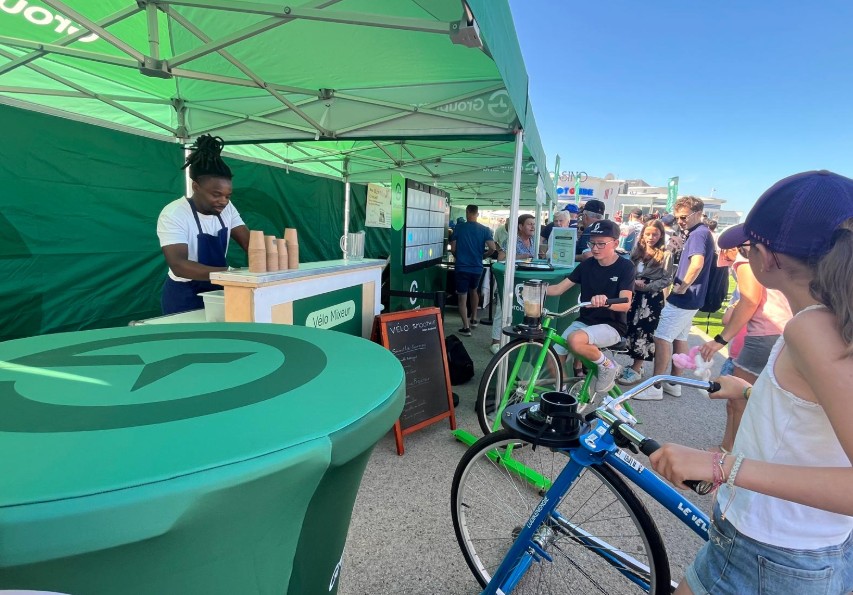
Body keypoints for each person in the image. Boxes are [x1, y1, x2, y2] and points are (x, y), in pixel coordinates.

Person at [649, 170, 853, 595]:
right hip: (789, 545)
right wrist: (752, 391)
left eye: (748, 246)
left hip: (770, 552)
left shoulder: (812, 329)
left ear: (768, 257)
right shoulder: (829, 317)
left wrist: (722, 466)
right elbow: (816, 415)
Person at [697, 233, 792, 452]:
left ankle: (733, 455)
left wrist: (720, 340)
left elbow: (750, 301)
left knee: (738, 400)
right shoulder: (772, 261)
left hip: (763, 335)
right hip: (778, 333)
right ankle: (728, 448)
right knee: (743, 400)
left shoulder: (746, 260)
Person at [157, 135, 250, 314]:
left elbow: (249, 243)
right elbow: (179, 265)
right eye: (216, 194)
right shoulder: (174, 214)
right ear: (195, 187)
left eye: (227, 195)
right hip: (184, 295)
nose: (223, 201)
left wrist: (273, 253)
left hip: (217, 289)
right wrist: (229, 273)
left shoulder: (227, 208)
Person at [638, 197, 715, 400]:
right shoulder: (700, 233)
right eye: (678, 217)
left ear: (698, 213)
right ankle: (674, 382)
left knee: (662, 337)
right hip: (693, 298)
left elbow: (697, 263)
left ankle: (654, 387)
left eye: (683, 217)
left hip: (685, 297)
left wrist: (683, 286)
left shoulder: (698, 234)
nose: (679, 221)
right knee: (680, 337)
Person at [546, 219, 634, 393]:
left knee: (575, 340)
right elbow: (558, 289)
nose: (595, 248)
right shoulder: (586, 265)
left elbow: (625, 304)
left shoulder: (625, 267)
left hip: (612, 326)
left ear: (615, 243)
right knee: (553, 357)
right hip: (585, 321)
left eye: (601, 244)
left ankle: (609, 366)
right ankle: (563, 394)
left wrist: (607, 302)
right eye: (592, 243)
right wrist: (535, 288)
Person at [617, 220, 673, 385]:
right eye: (648, 233)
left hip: (651, 300)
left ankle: (636, 367)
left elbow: (667, 279)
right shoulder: (636, 251)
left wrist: (647, 286)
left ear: (661, 235)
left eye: (655, 234)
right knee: (632, 329)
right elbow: (629, 271)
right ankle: (636, 365)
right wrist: (633, 283)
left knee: (645, 333)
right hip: (635, 296)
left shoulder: (666, 254)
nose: (651, 237)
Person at [450, 204, 496, 337]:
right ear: (477, 214)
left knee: (462, 297)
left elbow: (453, 248)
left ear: (467, 212)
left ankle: (466, 327)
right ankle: (474, 318)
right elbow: (492, 248)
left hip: (462, 267)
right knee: (474, 291)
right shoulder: (485, 229)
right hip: (477, 267)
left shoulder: (459, 228)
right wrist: (483, 255)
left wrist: (458, 257)